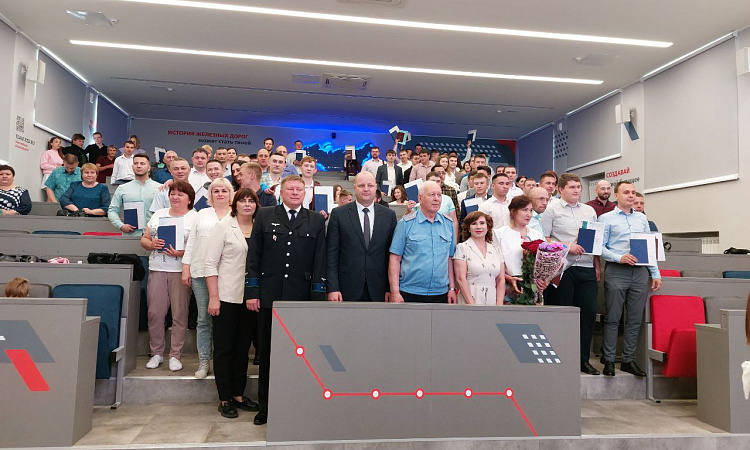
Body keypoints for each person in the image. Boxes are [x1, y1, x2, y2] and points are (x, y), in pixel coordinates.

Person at [246, 175, 327, 425]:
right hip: (269, 296)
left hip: (300, 299)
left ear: (306, 193)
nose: (294, 193)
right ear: (281, 192)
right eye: (290, 189)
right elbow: (254, 256)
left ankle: (296, 404)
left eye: (299, 189)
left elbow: (320, 260)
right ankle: (266, 407)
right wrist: (252, 291)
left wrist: (317, 296)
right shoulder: (265, 215)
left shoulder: (315, 220)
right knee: (268, 353)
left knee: (299, 355)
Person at [205, 188, 261, 418]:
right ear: (234, 204)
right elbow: (210, 263)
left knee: (242, 350)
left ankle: (238, 394)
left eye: (251, 201)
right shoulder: (223, 227)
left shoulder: (260, 226)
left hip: (250, 298)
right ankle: (224, 398)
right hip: (226, 297)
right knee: (224, 349)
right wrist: (214, 297)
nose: (247, 204)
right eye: (242, 201)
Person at [599, 181, 662, 377]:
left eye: (633, 192)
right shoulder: (605, 218)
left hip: (640, 272)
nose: (631, 195)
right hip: (617, 270)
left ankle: (628, 360)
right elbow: (599, 247)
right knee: (613, 318)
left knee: (634, 319)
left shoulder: (642, 219)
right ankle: (609, 359)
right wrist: (619, 257)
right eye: (626, 192)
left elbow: (649, 247)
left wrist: (655, 273)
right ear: (616, 196)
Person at [539, 173, 600, 375]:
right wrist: (566, 246)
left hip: (587, 267)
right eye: (572, 187)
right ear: (560, 190)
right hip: (563, 268)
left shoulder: (589, 211)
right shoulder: (551, 210)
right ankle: (562, 359)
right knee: (564, 314)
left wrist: (597, 265)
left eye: (578, 187)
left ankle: (583, 360)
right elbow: (544, 239)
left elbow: (594, 239)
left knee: (588, 314)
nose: (576, 190)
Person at [141, 180, 198, 372]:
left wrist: (181, 253)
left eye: (180, 194)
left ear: (189, 199)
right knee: (155, 313)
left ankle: (175, 355)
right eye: (173, 193)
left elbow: (199, 247)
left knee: (179, 313)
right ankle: (156, 353)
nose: (175, 197)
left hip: (181, 271)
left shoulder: (194, 217)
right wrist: (152, 244)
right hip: (157, 268)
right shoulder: (159, 213)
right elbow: (144, 239)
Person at [181, 177, 234, 378]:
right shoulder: (201, 214)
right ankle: (204, 361)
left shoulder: (236, 214)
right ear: (210, 194)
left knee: (227, 321)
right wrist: (186, 268)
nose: (220, 194)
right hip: (201, 272)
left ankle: (225, 361)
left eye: (224, 190)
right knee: (204, 319)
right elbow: (191, 243)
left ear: (230, 194)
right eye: (215, 191)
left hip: (229, 275)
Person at [327, 171, 397, 302]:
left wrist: (390, 288)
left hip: (380, 288)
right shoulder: (339, 214)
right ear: (354, 188)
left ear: (376, 188)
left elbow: (391, 255)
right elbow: (331, 254)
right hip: (346, 288)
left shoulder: (389, 215)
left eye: (370, 185)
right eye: (361, 185)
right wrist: (333, 287)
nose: (366, 189)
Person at [388, 180, 457, 304]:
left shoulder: (448, 224)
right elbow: (395, 259)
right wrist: (395, 292)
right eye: (431, 195)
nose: (436, 199)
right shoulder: (406, 224)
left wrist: (452, 288)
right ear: (420, 198)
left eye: (439, 195)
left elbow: (450, 258)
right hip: (410, 292)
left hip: (441, 293)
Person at [493, 196, 545, 302]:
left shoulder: (536, 235)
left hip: (533, 286)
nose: (529, 214)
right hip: (507, 285)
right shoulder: (500, 233)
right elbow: (494, 263)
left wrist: (544, 280)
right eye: (525, 210)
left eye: (531, 210)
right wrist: (508, 278)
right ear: (513, 212)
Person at [454, 211, 505, 305]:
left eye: (482, 223)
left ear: (488, 227)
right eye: (474, 223)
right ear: (468, 228)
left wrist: (499, 304)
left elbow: (501, 280)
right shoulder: (462, 248)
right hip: (469, 301)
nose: (478, 227)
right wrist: (472, 306)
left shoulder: (496, 250)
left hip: (492, 301)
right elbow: (461, 279)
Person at [108, 154, 161, 236]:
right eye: (136, 163)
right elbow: (112, 210)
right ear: (132, 167)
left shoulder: (160, 188)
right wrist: (121, 225)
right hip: (131, 235)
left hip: (154, 236)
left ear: (149, 167)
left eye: (142, 163)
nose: (138, 166)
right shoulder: (122, 188)